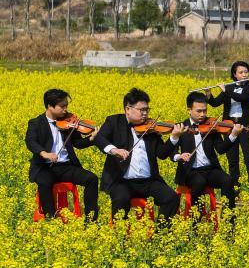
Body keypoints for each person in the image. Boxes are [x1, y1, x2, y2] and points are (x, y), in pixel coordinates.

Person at [94, 88, 182, 222]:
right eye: (142, 110)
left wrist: (174, 138)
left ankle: (160, 234)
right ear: (128, 109)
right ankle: (120, 238)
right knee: (121, 200)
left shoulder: (151, 128)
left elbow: (162, 154)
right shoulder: (114, 122)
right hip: (121, 181)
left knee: (172, 198)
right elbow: (99, 138)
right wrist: (114, 150)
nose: (145, 114)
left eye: (147, 109)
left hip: (148, 181)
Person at [26, 88, 100, 221]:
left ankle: (91, 220)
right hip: (45, 167)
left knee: (92, 179)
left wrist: (91, 139)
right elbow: (31, 142)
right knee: (44, 181)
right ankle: (50, 219)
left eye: (67, 106)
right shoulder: (36, 123)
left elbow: (78, 143)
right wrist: (44, 154)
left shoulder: (69, 122)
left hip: (66, 166)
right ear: (50, 106)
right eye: (62, 106)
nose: (66, 109)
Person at [171, 91, 243, 211]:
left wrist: (233, 135)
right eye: (199, 111)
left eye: (205, 110)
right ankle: (196, 223)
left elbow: (220, 149)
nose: (202, 114)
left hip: (210, 170)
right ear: (189, 110)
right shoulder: (181, 127)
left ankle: (228, 221)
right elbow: (171, 149)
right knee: (199, 182)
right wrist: (179, 156)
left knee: (228, 180)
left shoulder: (211, 126)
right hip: (190, 171)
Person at [207, 60, 249, 197]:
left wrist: (226, 90)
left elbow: (242, 98)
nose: (244, 74)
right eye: (241, 72)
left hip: (245, 126)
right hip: (229, 127)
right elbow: (215, 103)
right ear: (234, 75)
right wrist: (208, 95)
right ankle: (235, 190)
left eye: (246, 72)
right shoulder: (229, 88)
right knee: (232, 160)